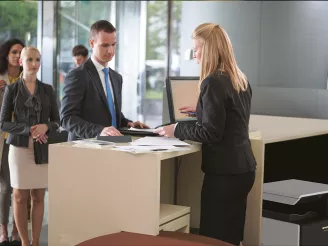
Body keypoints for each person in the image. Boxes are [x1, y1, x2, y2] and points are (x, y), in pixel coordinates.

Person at [155, 23, 257, 246]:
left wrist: (175, 130)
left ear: (210, 49)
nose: (194, 55)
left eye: (197, 49)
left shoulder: (212, 81)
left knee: (213, 237)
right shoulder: (239, 77)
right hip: (244, 169)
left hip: (224, 174)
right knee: (232, 235)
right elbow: (231, 118)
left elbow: (210, 133)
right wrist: (201, 110)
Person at [0, 46, 60, 246]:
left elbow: (57, 121)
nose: (34, 64)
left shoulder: (48, 90)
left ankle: (35, 243)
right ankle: (25, 243)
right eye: (29, 60)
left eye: (37, 60)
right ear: (20, 62)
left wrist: (45, 126)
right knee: (19, 197)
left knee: (39, 196)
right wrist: (28, 129)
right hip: (18, 150)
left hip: (41, 149)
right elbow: (3, 123)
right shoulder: (11, 89)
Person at [61, 20, 148, 141]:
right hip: (85, 150)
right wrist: (99, 131)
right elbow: (67, 118)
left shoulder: (116, 78)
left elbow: (108, 113)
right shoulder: (77, 75)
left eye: (113, 44)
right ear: (92, 43)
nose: (110, 51)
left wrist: (128, 124)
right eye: (105, 45)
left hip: (113, 147)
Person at [0, 38, 25, 245]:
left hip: (19, 140)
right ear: (6, 55)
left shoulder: (29, 79)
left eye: (20, 53)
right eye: (14, 52)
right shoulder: (0, 79)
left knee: (16, 186)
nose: (18, 56)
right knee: (5, 188)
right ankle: (3, 230)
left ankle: (17, 228)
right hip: (2, 138)